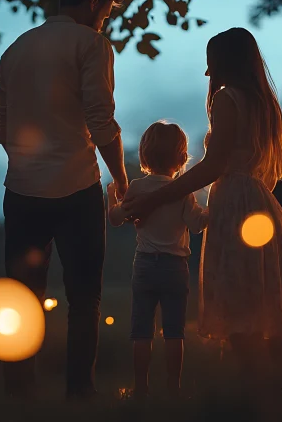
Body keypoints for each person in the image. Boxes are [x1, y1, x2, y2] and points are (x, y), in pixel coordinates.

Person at [121, 28, 282, 376]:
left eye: (211, 64)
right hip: (261, 204)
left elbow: (215, 164)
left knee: (242, 313)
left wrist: (156, 198)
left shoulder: (227, 99)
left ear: (226, 62)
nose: (208, 73)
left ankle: (254, 400)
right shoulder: (263, 106)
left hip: (236, 208)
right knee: (270, 316)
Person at [0, 0, 127, 399]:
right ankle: (79, 393)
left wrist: (24, 158)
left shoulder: (17, 48)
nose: (106, 19)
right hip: (76, 190)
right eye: (107, 10)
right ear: (93, 3)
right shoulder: (92, 45)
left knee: (22, 295)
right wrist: (121, 177)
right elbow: (100, 119)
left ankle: (18, 389)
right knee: (84, 299)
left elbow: (0, 118)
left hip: (22, 191)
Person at [107, 121, 208, 399]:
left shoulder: (137, 187)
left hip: (144, 266)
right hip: (175, 268)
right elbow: (197, 224)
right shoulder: (183, 191)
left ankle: (141, 388)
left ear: (144, 154)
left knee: (141, 330)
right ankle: (173, 388)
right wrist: (215, 207)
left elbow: (116, 219)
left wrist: (110, 197)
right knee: (174, 331)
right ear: (181, 157)